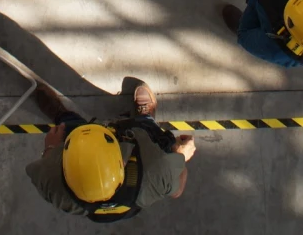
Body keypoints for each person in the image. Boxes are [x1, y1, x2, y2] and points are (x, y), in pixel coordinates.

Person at [27, 81, 195, 221]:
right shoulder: (156, 174)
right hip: (136, 183)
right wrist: (181, 154)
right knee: (149, 130)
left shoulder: (52, 184)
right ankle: (145, 118)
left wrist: (51, 148)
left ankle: (62, 116)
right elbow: (177, 191)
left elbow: (47, 165)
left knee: (69, 126)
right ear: (122, 161)